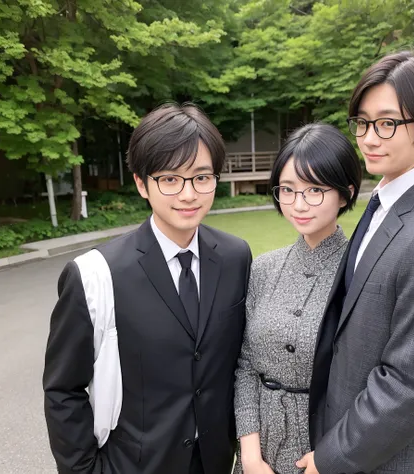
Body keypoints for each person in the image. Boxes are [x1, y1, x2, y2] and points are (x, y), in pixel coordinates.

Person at [43, 103, 252, 474]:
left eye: (202, 177)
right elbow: (64, 390)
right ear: (142, 183)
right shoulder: (95, 274)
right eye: (170, 179)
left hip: (216, 462)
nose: (189, 194)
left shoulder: (236, 258)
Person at [297, 51, 414, 474]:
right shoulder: (385, 203)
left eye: (388, 123)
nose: (369, 138)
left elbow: (413, 385)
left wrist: (328, 459)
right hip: (347, 436)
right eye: (363, 122)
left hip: (386, 460)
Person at [234, 123, 362, 474]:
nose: (298, 204)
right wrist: (249, 454)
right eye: (287, 190)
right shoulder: (263, 268)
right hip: (262, 450)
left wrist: (333, 455)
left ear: (346, 192)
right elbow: (246, 364)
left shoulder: (362, 273)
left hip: (329, 450)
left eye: (315, 190)